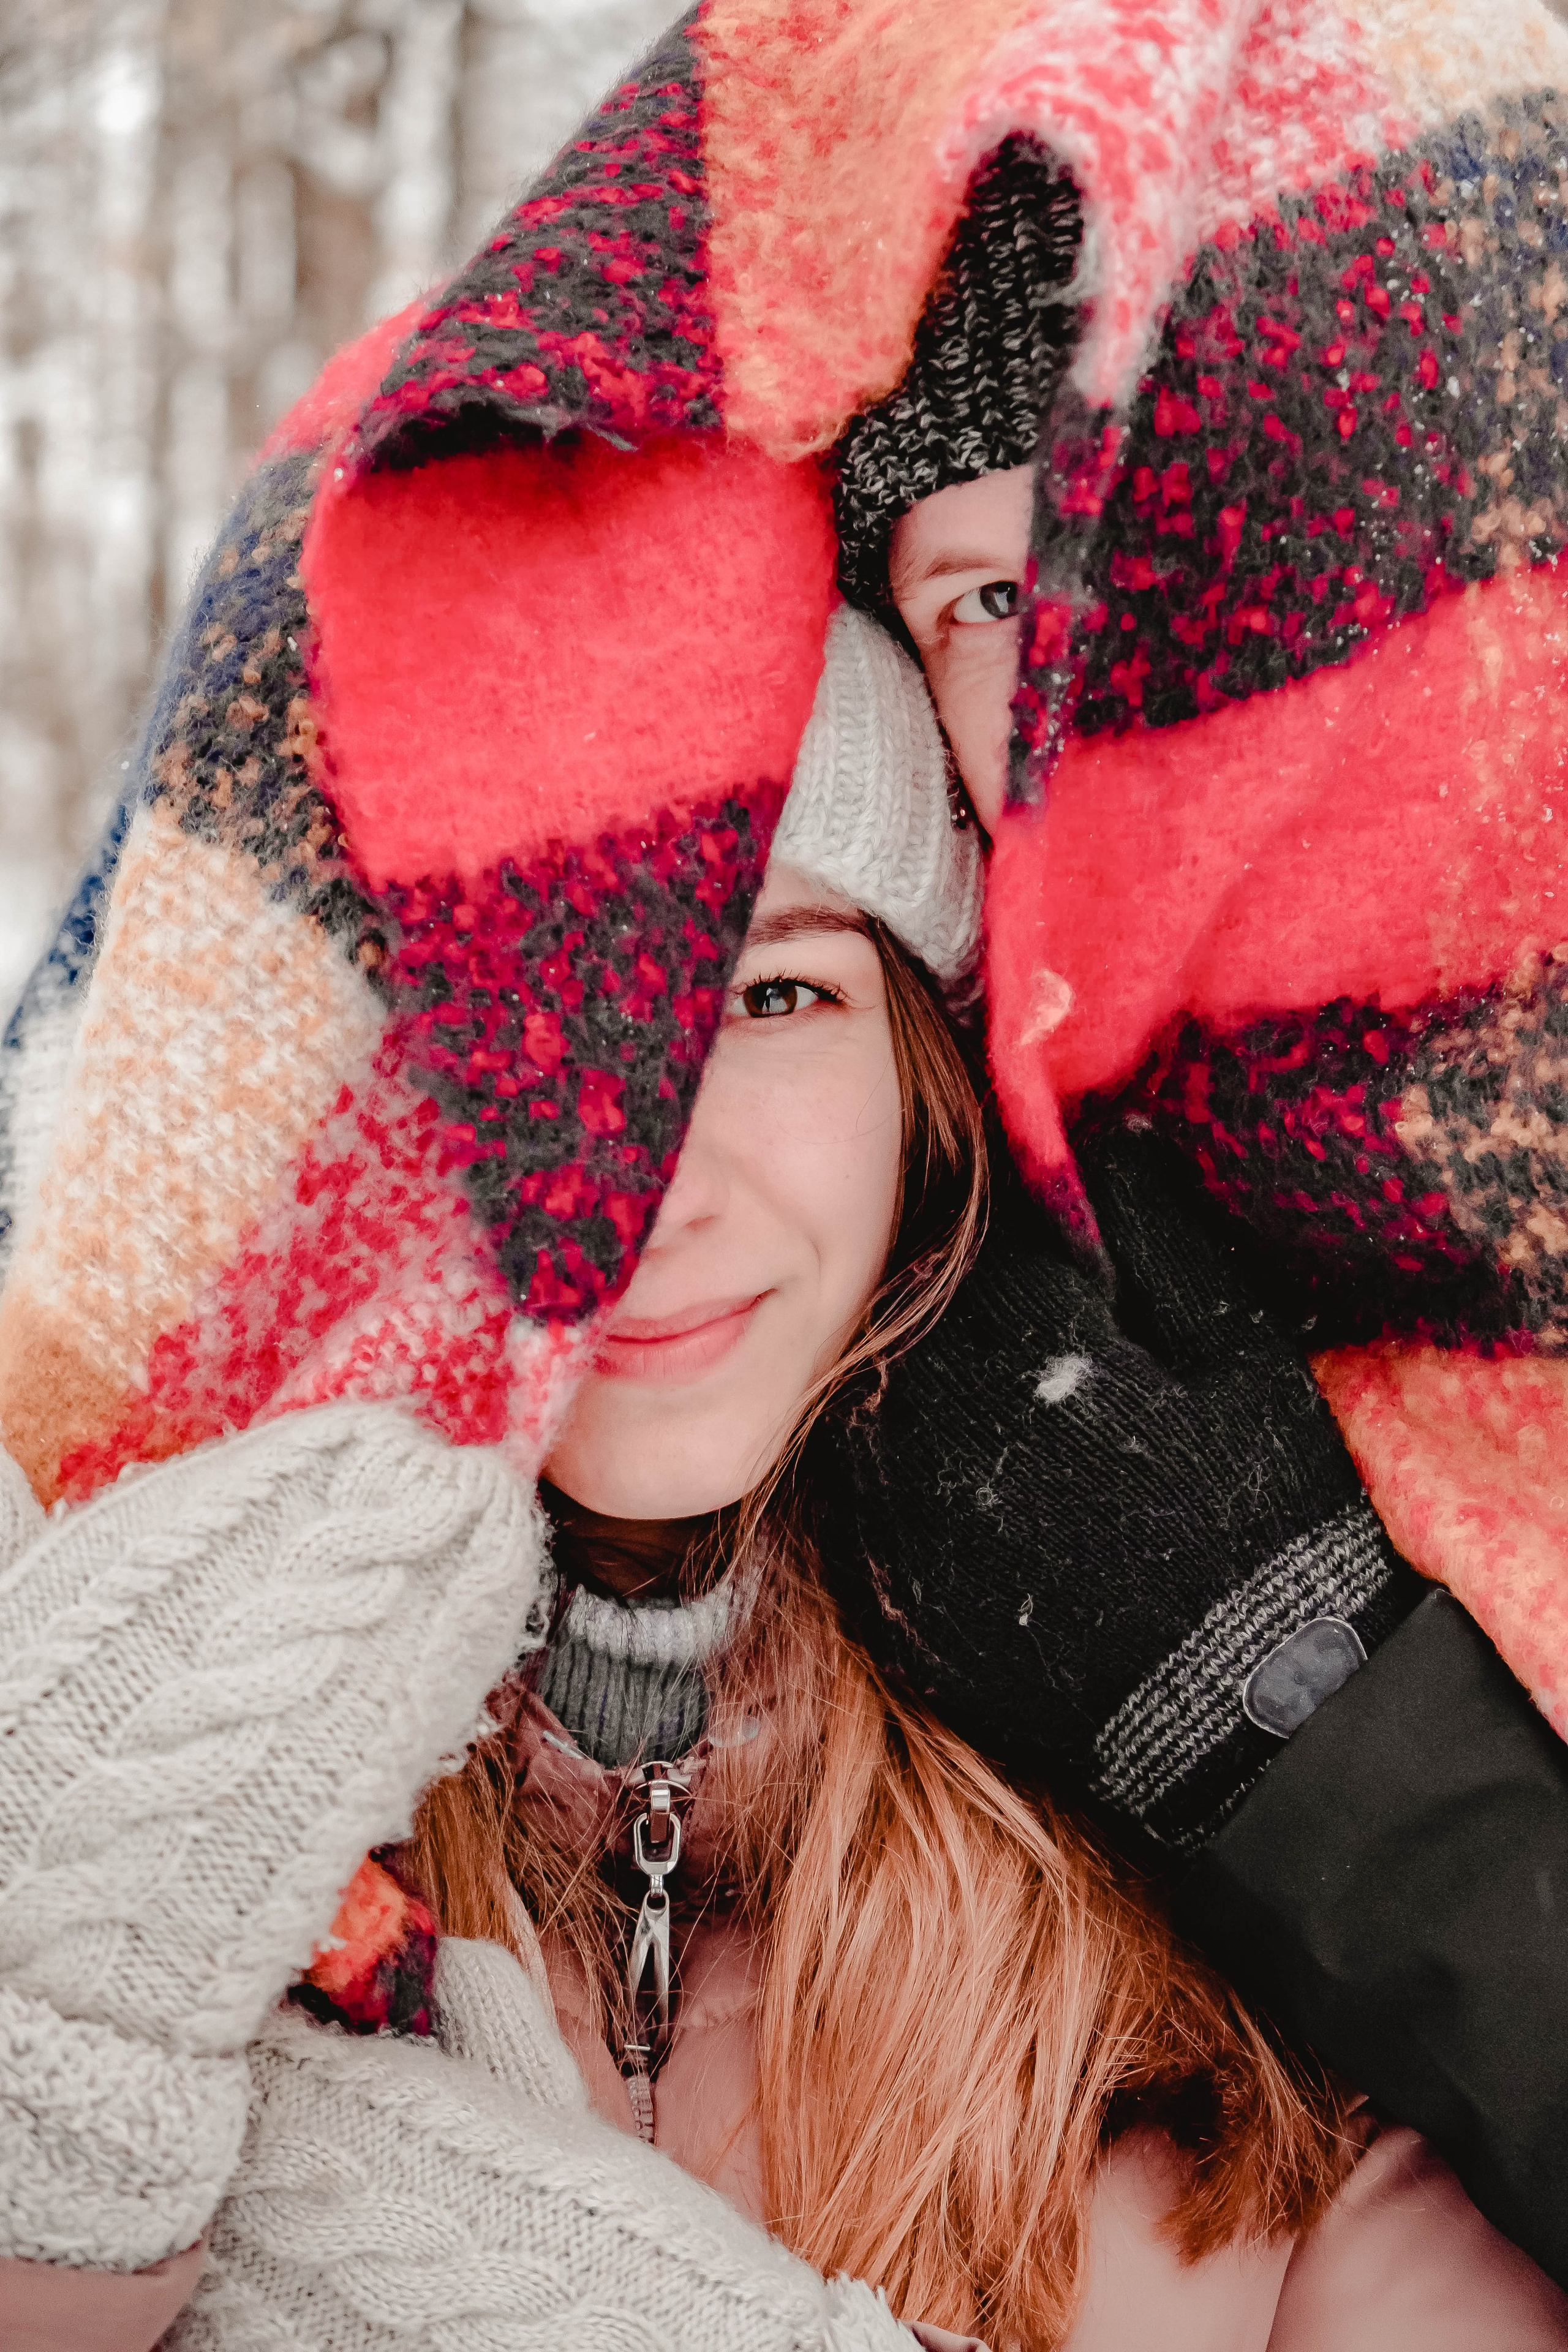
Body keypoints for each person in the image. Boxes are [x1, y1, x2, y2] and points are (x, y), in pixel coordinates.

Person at [3, 614, 1564, 2352]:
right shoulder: (107, 1720)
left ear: (925, 1076)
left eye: (770, 992)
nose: (653, 1184)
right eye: (516, 1004)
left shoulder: (1214, 1855)